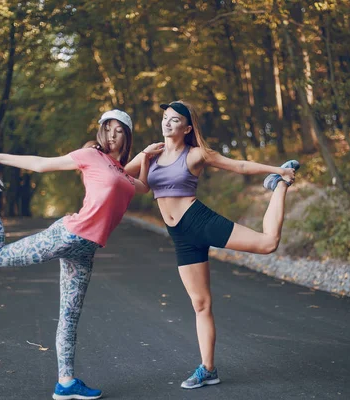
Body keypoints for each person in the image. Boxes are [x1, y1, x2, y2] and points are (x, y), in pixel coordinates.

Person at [0, 109, 163, 400]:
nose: (112, 134)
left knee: (70, 316)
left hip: (86, 251)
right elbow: (42, 165)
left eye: (119, 130)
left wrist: (146, 157)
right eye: (108, 128)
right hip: (69, 234)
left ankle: (66, 382)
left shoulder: (120, 172)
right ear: (101, 131)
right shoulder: (90, 156)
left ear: (127, 136)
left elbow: (144, 187)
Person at [125, 101, 299, 390]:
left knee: (268, 243)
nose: (167, 123)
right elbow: (118, 174)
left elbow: (239, 165)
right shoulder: (151, 154)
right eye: (165, 118)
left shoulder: (195, 154)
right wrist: (138, 157)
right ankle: (208, 369)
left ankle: (279, 186)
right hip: (179, 236)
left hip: (199, 221)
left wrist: (278, 171)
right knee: (201, 304)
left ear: (187, 128)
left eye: (175, 120)